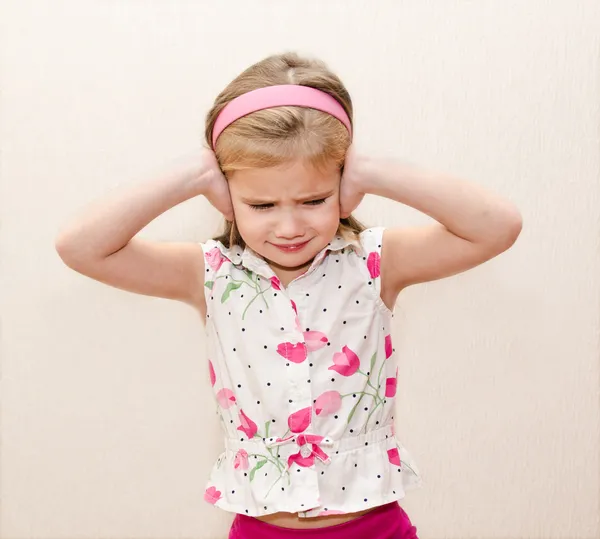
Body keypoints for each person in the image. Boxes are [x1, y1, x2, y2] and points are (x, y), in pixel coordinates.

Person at [55, 52, 522, 539]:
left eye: (314, 199)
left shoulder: (374, 263)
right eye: (261, 204)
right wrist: (194, 174)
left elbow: (497, 226)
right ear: (226, 195)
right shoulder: (210, 274)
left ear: (343, 185)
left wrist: (374, 170)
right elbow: (80, 246)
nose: (290, 226)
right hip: (261, 530)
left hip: (374, 527)